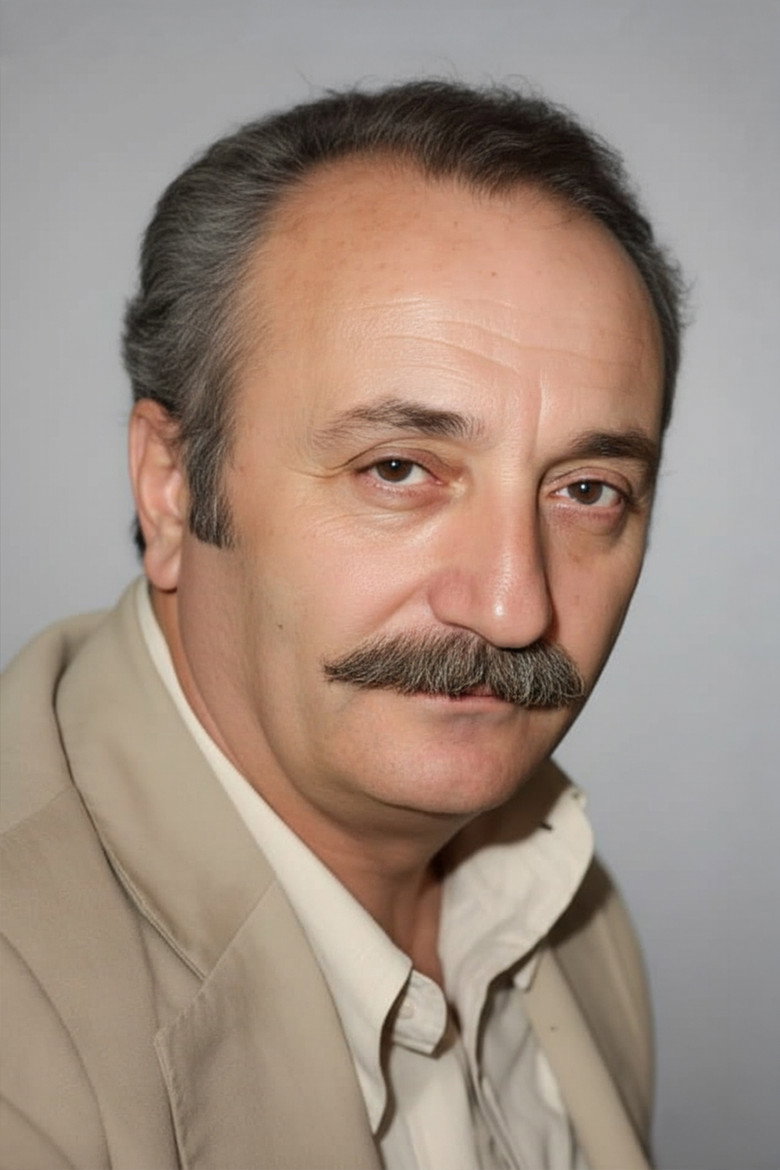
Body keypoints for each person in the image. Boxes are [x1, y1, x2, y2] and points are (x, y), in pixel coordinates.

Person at [0, 80, 684, 1170]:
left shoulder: (571, 911)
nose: (514, 607)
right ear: (173, 486)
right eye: (399, 469)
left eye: (587, 490)